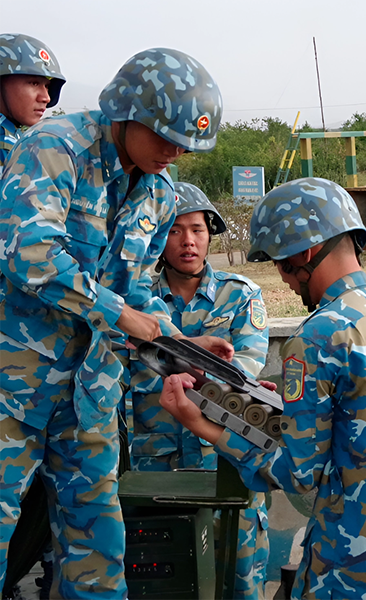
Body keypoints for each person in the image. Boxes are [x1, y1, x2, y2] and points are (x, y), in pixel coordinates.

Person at [0, 48, 231, 599]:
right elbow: (28, 251)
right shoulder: (56, 147)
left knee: (98, 546)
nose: (174, 153)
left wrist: (177, 339)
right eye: (165, 137)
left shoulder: (159, 191)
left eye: (185, 145)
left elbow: (138, 294)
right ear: (127, 113)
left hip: (89, 398)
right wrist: (120, 312)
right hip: (14, 389)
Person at [158, 177, 366, 600]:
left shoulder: (318, 337)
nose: (285, 280)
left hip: (357, 568)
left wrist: (200, 424)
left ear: (305, 252)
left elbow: (294, 473)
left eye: (281, 263)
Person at [129, 182, 269, 600]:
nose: (188, 241)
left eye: (197, 229)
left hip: (222, 461)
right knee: (158, 580)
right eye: (174, 230)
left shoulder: (239, 295)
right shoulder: (135, 302)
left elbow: (245, 366)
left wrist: (186, 371)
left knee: (237, 579)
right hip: (153, 467)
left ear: (210, 234)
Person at [0, 33, 65, 169]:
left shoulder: (12, 135)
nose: (46, 97)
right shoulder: (5, 146)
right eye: (34, 83)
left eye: (47, 86)